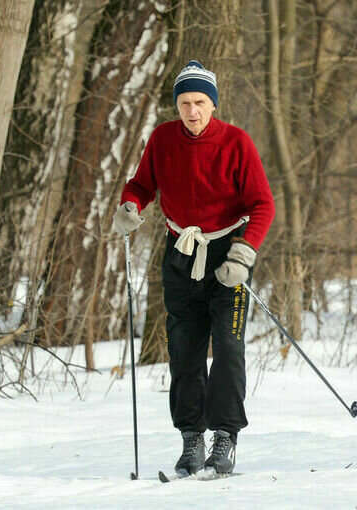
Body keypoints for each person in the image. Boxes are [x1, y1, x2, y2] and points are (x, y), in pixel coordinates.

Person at [112, 60, 275, 476]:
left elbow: (262, 205)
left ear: (213, 104)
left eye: (200, 102)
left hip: (228, 255)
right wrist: (130, 205)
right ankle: (191, 442)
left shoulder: (237, 143)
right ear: (177, 105)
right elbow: (141, 185)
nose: (192, 111)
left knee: (227, 346)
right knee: (184, 351)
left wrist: (244, 253)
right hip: (181, 253)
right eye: (185, 102)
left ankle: (225, 439)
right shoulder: (163, 139)